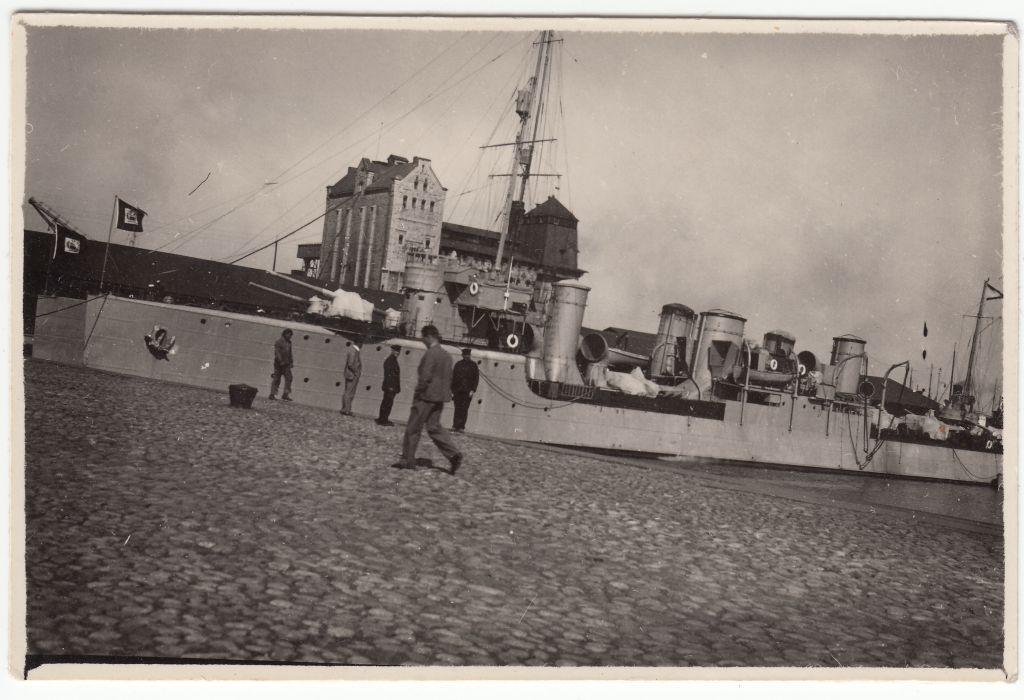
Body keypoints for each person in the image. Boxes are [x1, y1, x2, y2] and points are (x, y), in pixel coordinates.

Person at [393, 325, 463, 474]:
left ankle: (407, 460)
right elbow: (449, 378)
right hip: (440, 398)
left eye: (423, 338)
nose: (423, 341)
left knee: (413, 428)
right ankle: (454, 454)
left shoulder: (431, 354)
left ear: (429, 337)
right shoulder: (447, 355)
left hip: (426, 397)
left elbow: (425, 376)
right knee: (434, 428)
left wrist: (418, 392)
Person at [451, 348, 479, 432]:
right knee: (457, 408)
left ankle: (461, 427)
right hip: (458, 390)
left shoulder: (473, 365)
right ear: (462, 355)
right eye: (465, 355)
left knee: (464, 409)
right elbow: (453, 377)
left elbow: (476, 379)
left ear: (470, 355)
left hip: (467, 391)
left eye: (468, 355)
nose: (467, 356)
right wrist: (452, 390)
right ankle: (455, 426)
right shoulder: (458, 364)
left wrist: (473, 390)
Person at [377, 345, 402, 426]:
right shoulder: (391, 361)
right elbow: (388, 375)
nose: (397, 353)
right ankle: (383, 420)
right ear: (392, 350)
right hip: (390, 387)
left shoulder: (392, 360)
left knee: (386, 403)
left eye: (398, 351)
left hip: (390, 386)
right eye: (396, 351)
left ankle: (382, 419)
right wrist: (390, 387)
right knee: (387, 404)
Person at [269, 329, 293, 401]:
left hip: (286, 363)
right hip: (279, 364)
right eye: (289, 334)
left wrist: (291, 362)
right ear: (285, 334)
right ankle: (272, 394)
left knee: (289, 378)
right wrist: (280, 361)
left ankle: (285, 394)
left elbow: (290, 353)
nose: (290, 336)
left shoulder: (289, 343)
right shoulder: (279, 342)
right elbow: (277, 352)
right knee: (276, 378)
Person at [340, 337, 362, 415]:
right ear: (358, 343)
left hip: (351, 375)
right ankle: (345, 409)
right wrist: (356, 372)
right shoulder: (353, 351)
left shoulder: (354, 350)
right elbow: (350, 364)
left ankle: (347, 409)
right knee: (348, 393)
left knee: (349, 392)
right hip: (352, 375)